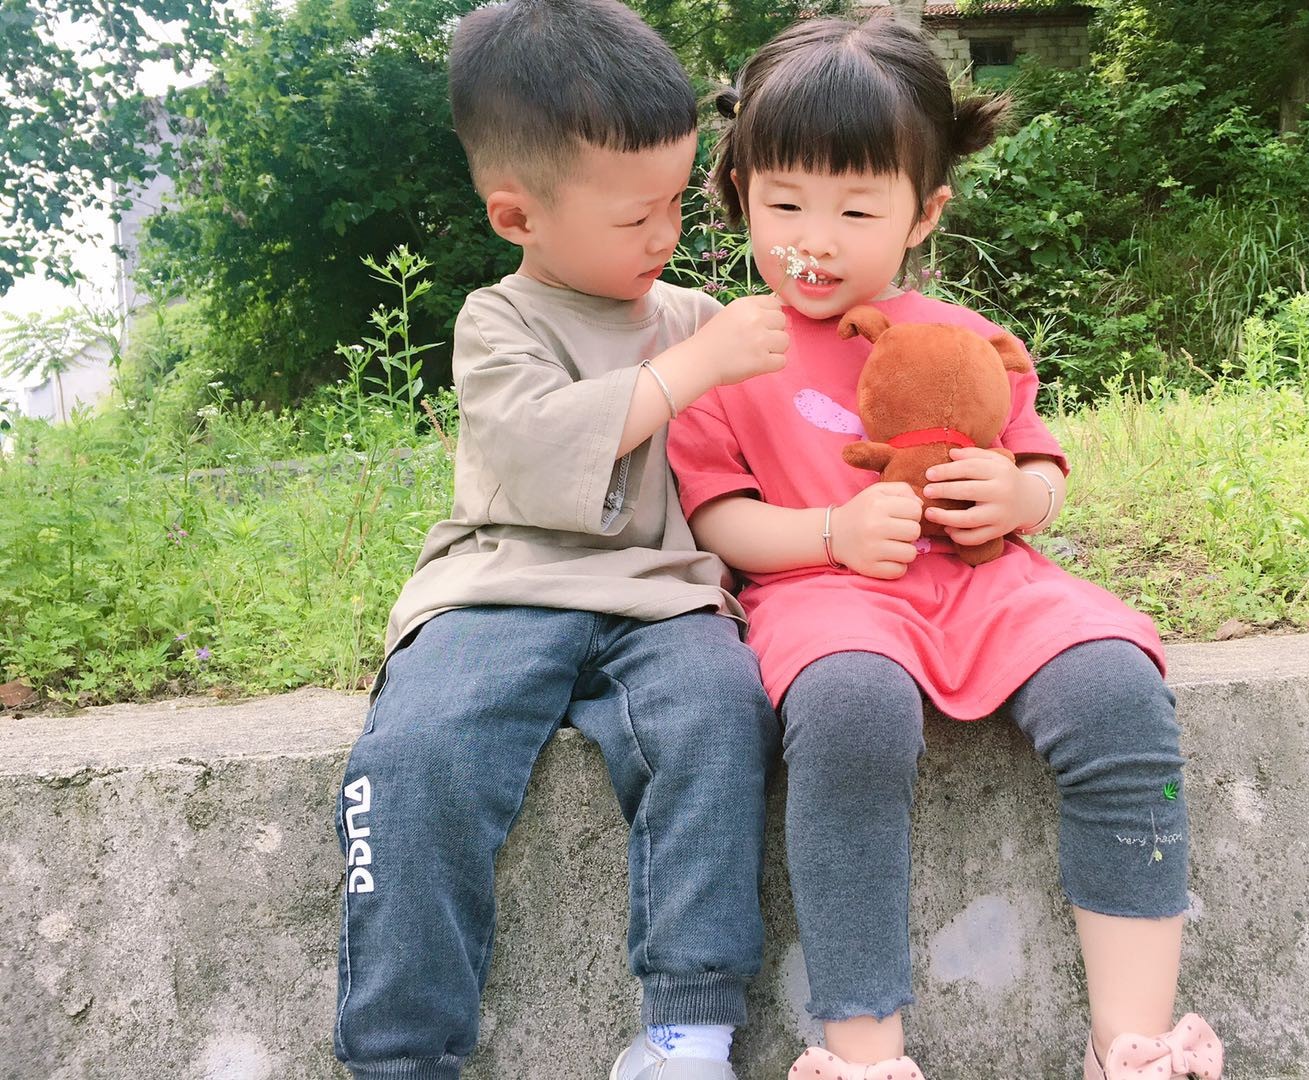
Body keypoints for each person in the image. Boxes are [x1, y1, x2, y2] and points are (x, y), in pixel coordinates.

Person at [665, 14, 1226, 1080]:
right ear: (740, 195)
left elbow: (1043, 467)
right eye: (784, 204)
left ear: (924, 212)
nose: (815, 239)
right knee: (850, 710)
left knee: (1117, 689)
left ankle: (1135, 1040)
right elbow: (717, 517)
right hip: (823, 591)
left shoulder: (962, 339)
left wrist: (1016, 496)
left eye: (855, 208)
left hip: (988, 582)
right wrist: (828, 530)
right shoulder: (726, 352)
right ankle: (863, 1054)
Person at [332, 3, 793, 1078]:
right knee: (411, 757)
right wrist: (690, 370)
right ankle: (401, 1054)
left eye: (677, 201)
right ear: (517, 216)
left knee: (721, 713)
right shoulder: (499, 322)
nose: (666, 235)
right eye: (636, 216)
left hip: (666, 597)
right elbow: (540, 453)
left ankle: (688, 1030)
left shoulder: (694, 316)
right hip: (499, 591)